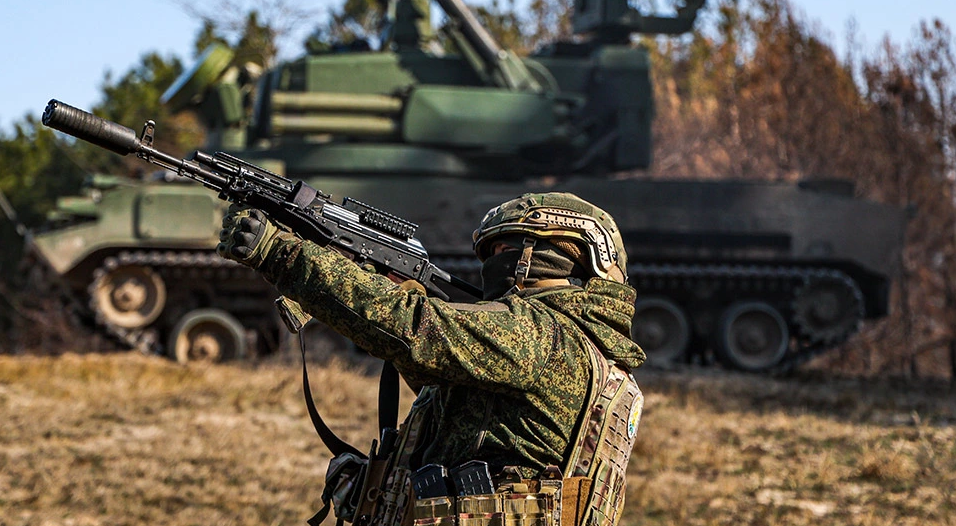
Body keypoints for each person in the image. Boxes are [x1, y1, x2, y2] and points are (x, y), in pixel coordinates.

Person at [217, 191, 645, 526]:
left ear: (551, 253)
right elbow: (438, 373)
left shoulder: (546, 338)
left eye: (504, 250)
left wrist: (282, 254)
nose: (492, 266)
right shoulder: (571, 348)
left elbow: (412, 328)